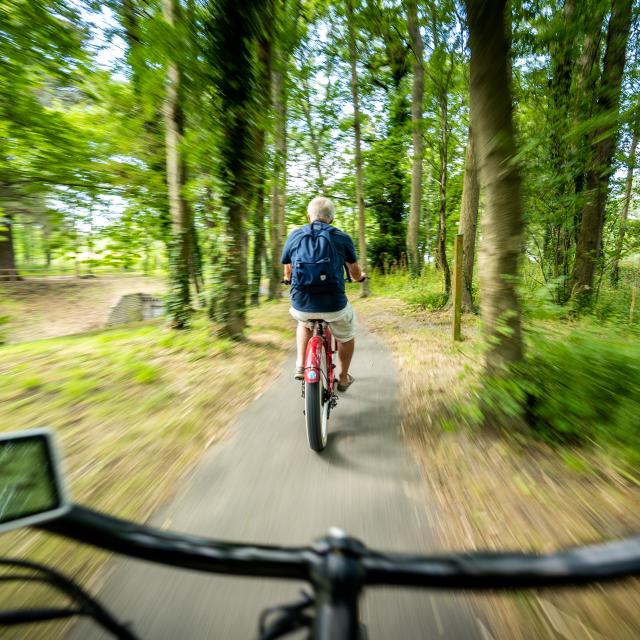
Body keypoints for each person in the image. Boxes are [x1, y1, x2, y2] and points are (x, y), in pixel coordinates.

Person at [281, 196, 366, 392]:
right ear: (332, 219)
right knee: (346, 336)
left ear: (308, 216)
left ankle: (301, 364)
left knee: (304, 322)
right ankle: (343, 378)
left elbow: (288, 268)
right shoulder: (341, 237)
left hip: (302, 303)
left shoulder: (295, 235)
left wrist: (287, 279)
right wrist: (359, 278)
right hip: (334, 305)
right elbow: (353, 270)